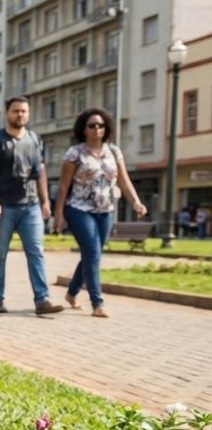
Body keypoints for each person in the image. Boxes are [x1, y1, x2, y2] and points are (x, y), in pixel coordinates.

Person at [53, 108, 148, 318]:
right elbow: (63, 186)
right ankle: (98, 303)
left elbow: (123, 180)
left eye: (101, 125)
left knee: (92, 254)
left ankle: (71, 293)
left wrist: (136, 202)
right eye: (92, 125)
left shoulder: (114, 151)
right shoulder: (75, 153)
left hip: (105, 210)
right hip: (78, 209)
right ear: (84, 130)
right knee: (93, 253)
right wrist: (58, 215)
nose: (97, 129)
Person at [0, 96, 65, 315]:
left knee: (36, 252)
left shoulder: (35, 139)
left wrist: (46, 200)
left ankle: (42, 300)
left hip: (31, 206)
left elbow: (41, 173)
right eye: (16, 111)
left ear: (29, 114)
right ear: (7, 113)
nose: (20, 115)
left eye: (24, 111)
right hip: (3, 206)